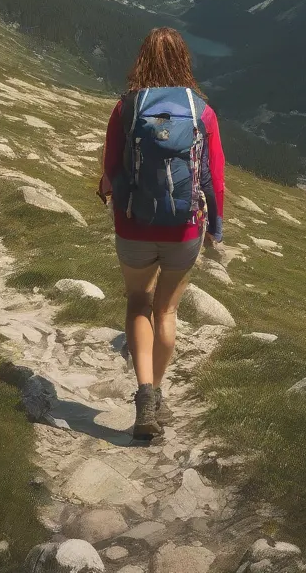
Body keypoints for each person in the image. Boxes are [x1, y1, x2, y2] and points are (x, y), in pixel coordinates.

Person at [97, 27, 225, 439]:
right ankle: (159, 394)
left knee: (138, 302)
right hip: (184, 229)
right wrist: (214, 228)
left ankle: (144, 392)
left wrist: (107, 192)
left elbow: (111, 168)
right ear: (184, 60)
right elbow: (213, 179)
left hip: (134, 225)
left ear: (142, 59)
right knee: (166, 310)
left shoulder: (127, 108)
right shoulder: (202, 112)